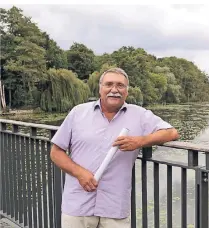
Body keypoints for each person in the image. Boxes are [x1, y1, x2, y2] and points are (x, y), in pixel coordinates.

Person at [50, 67, 179, 228]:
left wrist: (140, 141)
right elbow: (56, 152)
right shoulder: (78, 113)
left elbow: (172, 132)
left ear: (127, 91)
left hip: (114, 207)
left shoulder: (139, 115)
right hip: (78, 204)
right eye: (109, 84)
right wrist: (79, 173)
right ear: (100, 89)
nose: (114, 90)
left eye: (120, 85)